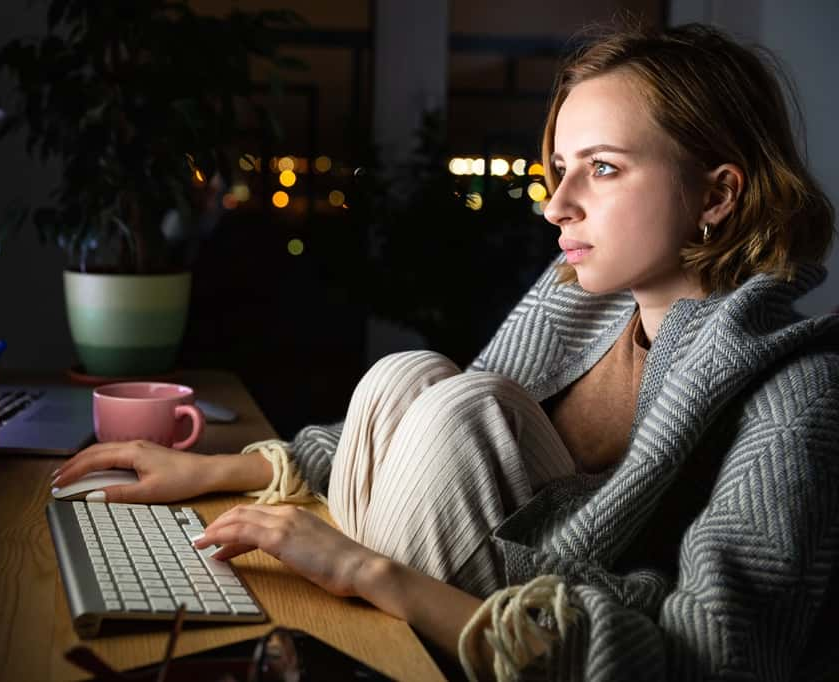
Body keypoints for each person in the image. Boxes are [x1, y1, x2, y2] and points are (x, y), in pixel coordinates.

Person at [51, 22, 839, 682]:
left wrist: (366, 572)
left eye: (603, 169)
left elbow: (714, 660)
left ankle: (355, 655)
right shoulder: (581, 300)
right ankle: (336, 648)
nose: (557, 204)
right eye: (560, 169)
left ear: (716, 194)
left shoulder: (798, 388)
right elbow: (424, 438)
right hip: (459, 582)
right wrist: (220, 470)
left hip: (531, 641)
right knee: (412, 375)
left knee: (467, 403)